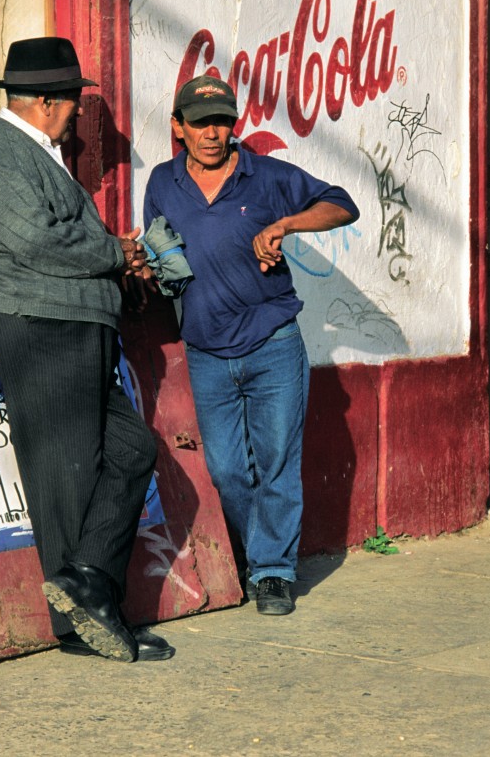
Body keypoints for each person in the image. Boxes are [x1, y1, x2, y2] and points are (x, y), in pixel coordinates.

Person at [0, 37, 172, 661]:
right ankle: (85, 620)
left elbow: (52, 237)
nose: (78, 112)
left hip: (69, 324)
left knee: (128, 451)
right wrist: (116, 253)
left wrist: (115, 268)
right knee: (66, 476)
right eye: (74, 102)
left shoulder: (35, 154)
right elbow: (35, 241)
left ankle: (88, 589)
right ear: (49, 102)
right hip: (42, 327)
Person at [142, 75, 358, 615]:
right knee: (229, 470)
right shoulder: (162, 183)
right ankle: (257, 551)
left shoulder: (266, 176)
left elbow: (342, 205)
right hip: (207, 351)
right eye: (199, 123)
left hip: (273, 343)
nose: (212, 134)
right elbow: (161, 250)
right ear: (179, 127)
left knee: (278, 462)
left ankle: (272, 571)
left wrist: (286, 224)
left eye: (221, 122)